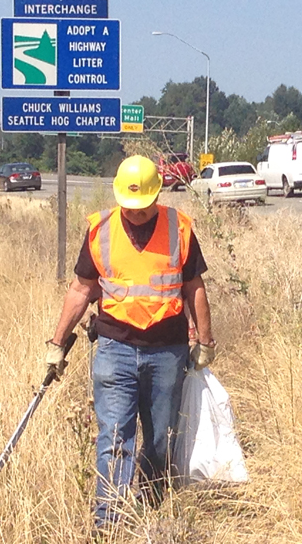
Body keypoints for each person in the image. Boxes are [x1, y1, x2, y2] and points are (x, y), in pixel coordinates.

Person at [45, 155, 216, 530]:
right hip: (114, 348)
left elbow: (194, 289)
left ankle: (152, 510)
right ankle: (109, 524)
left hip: (167, 351)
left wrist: (204, 340)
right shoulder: (100, 230)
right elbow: (80, 291)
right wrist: (56, 343)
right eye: (130, 206)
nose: (136, 213)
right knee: (114, 437)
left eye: (144, 206)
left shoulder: (179, 228)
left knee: (159, 442)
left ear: (158, 195)